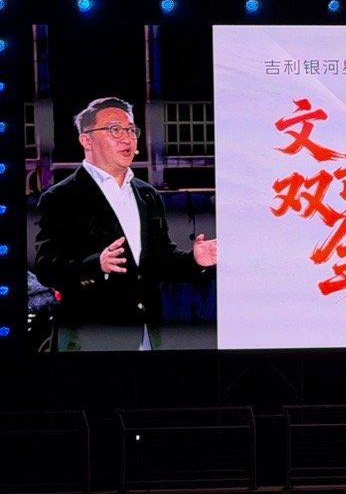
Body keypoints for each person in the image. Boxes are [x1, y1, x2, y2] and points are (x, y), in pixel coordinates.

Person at [32, 97, 218, 350]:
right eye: (115, 129)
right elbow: (45, 267)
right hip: (90, 340)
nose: (127, 138)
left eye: (131, 130)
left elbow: (158, 261)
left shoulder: (147, 194)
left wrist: (194, 260)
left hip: (148, 336)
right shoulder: (61, 197)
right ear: (86, 140)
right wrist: (96, 265)